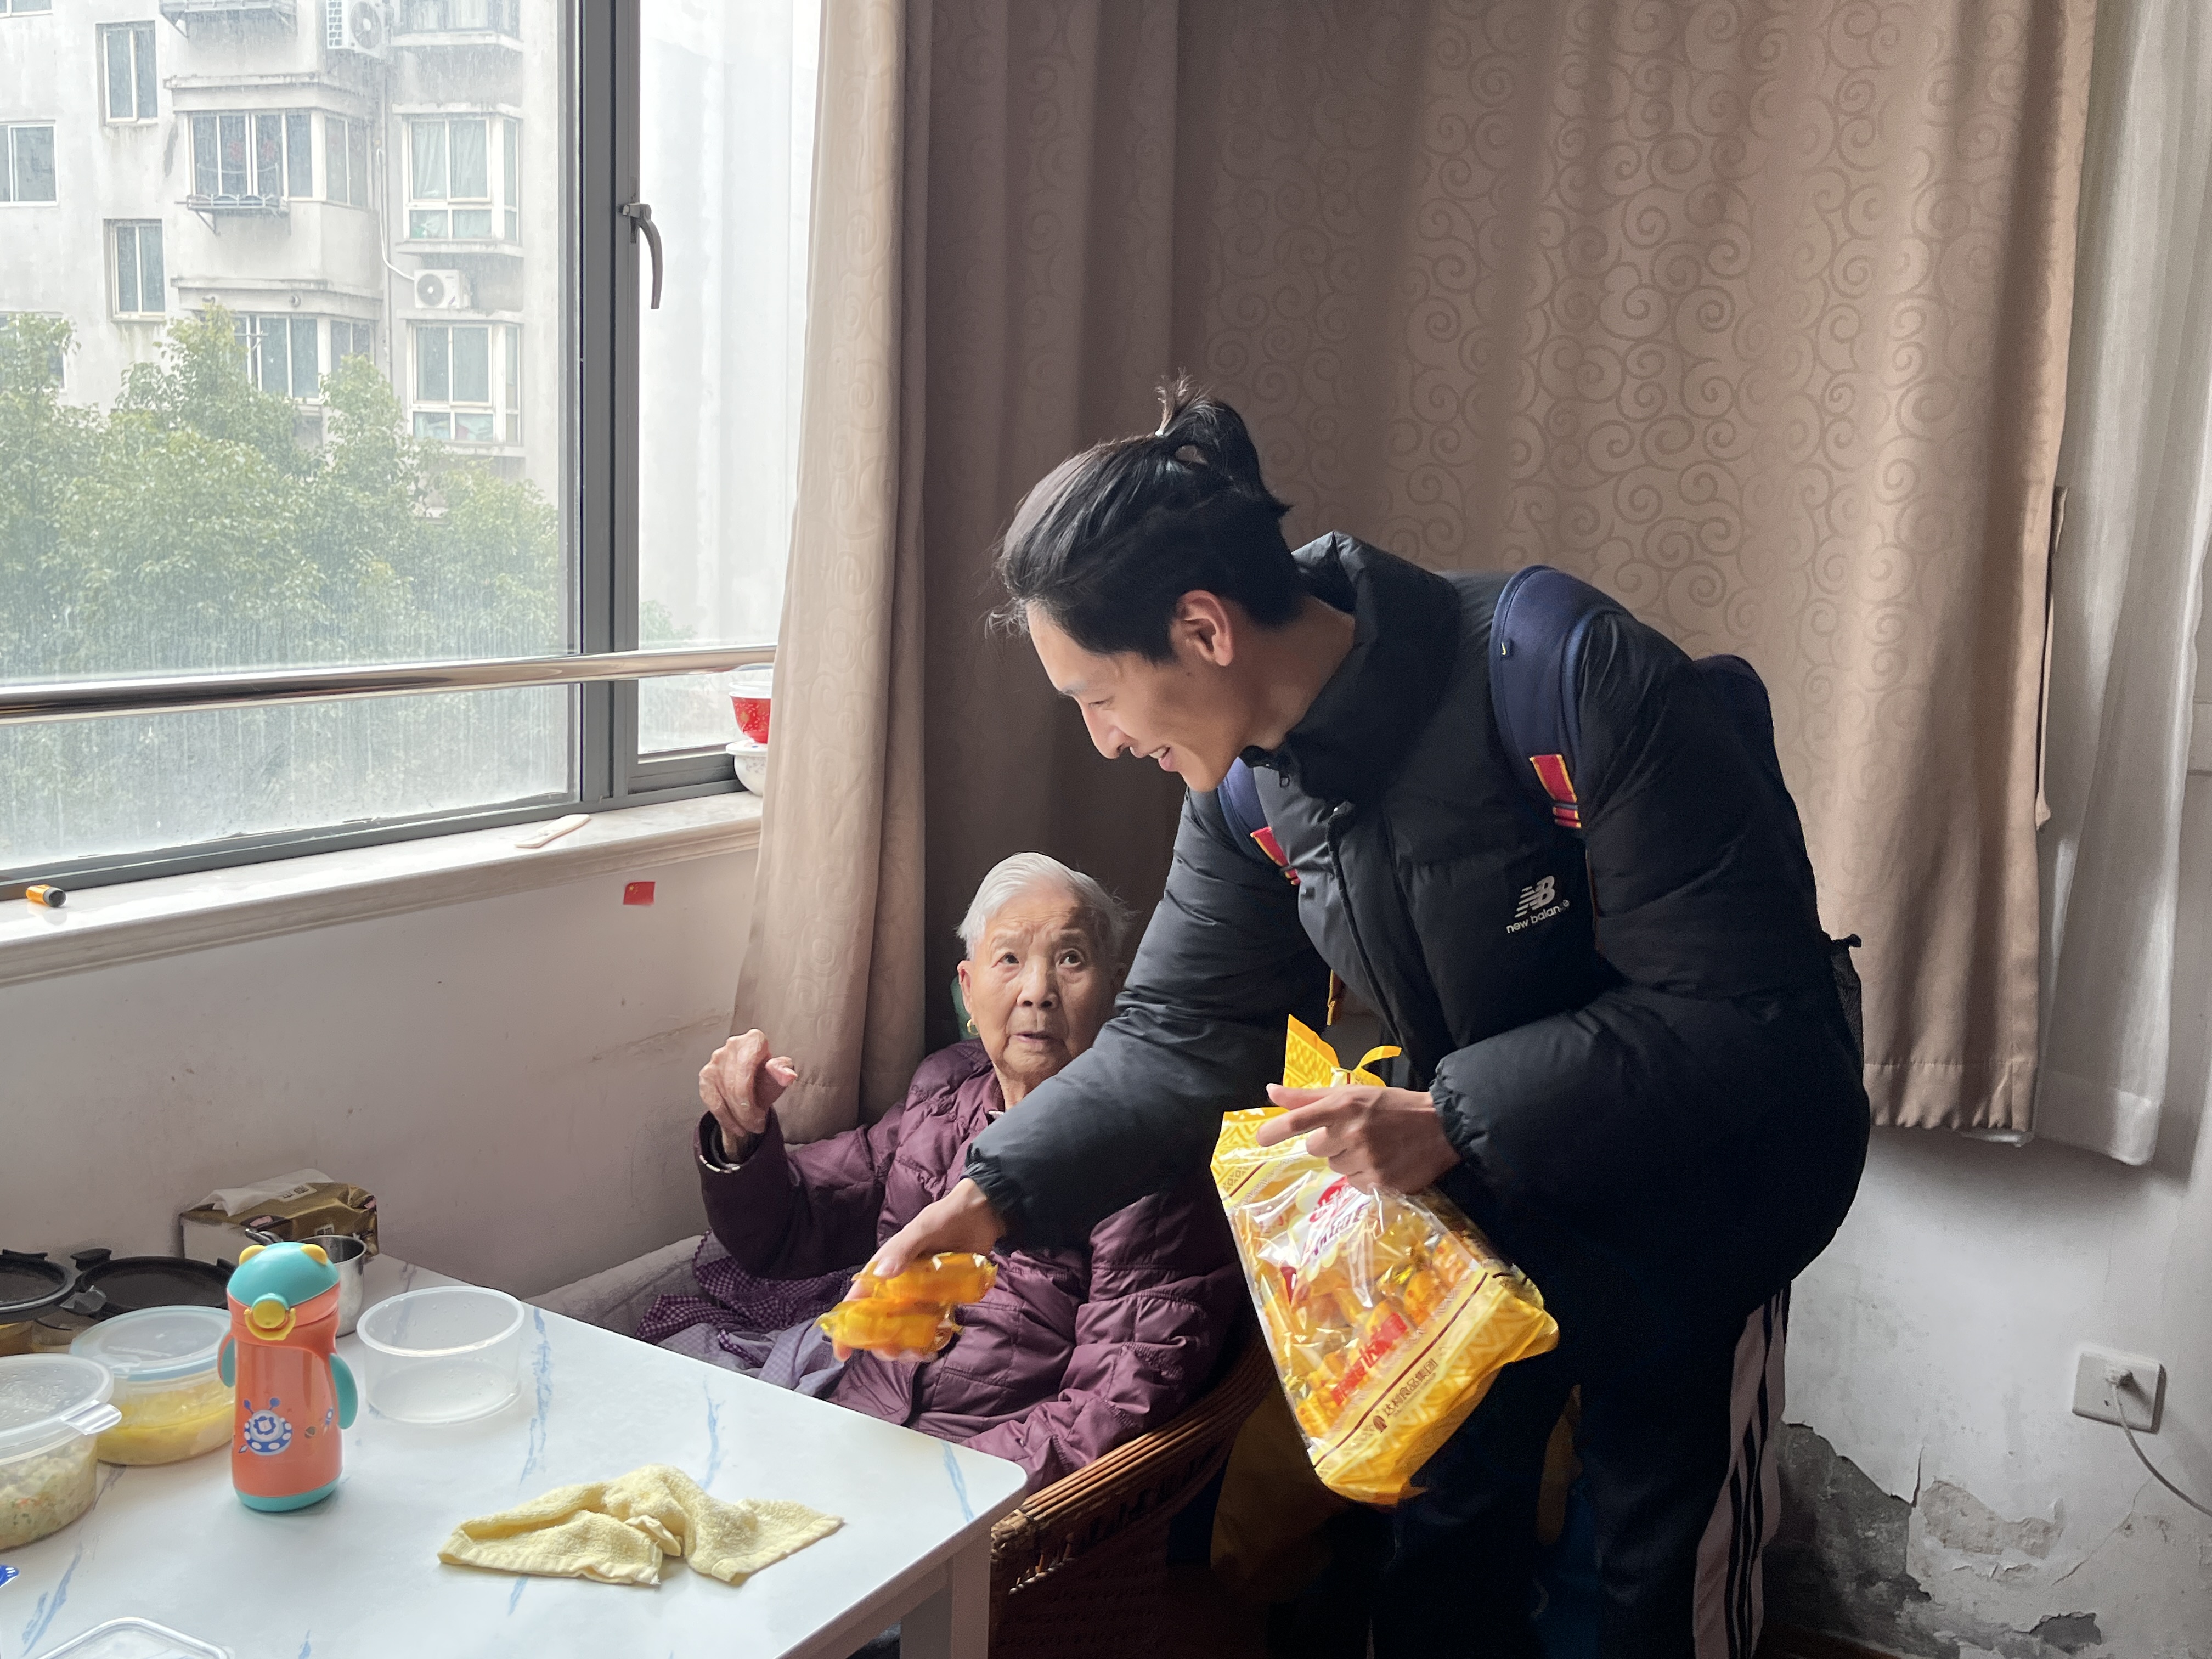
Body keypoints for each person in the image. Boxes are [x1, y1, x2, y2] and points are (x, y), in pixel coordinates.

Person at [864, 382, 1870, 1657]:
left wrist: (1452, 1115)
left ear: (1204, 628)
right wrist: (989, 1194)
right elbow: (1177, 1037)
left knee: (1651, 1579)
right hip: (1497, 1206)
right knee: (1443, 1547)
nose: (1104, 741)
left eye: (1098, 694)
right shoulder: (1248, 794)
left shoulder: (1566, 672)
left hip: (1704, 1193)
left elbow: (1743, 1012)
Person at [670, 851, 1245, 1494]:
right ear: (969, 989)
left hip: (983, 1489)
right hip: (854, 1425)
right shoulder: (946, 1090)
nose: (1037, 991)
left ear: (1115, 989)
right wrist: (741, 1135)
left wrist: (927, 1489)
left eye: (1070, 959)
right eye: (1010, 959)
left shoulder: (1154, 1168)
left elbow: (1110, 1411)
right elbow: (796, 1226)